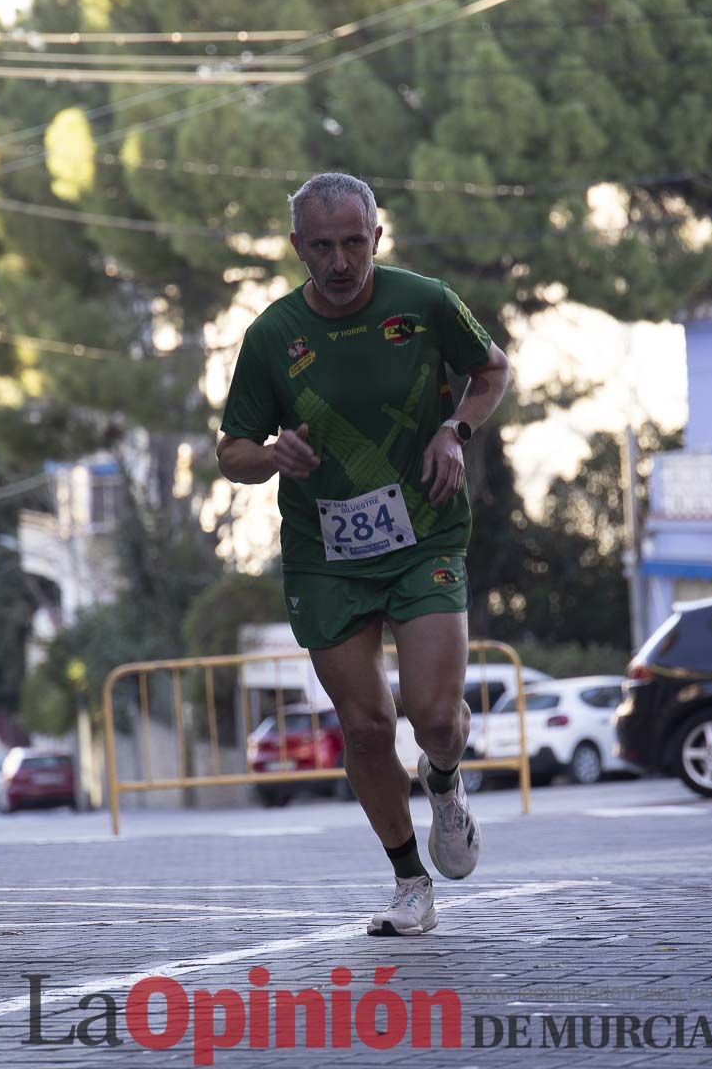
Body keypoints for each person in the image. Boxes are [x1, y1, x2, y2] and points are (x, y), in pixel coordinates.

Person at [217, 172, 510, 936]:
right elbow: (232, 451)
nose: (341, 261)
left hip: (425, 533)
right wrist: (273, 455)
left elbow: (492, 370)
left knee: (436, 717)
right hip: (325, 553)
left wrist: (456, 430)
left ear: (377, 236)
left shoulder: (424, 302)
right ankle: (410, 882)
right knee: (368, 729)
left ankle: (444, 782)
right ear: (297, 248)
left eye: (354, 242)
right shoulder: (273, 336)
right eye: (323, 246)